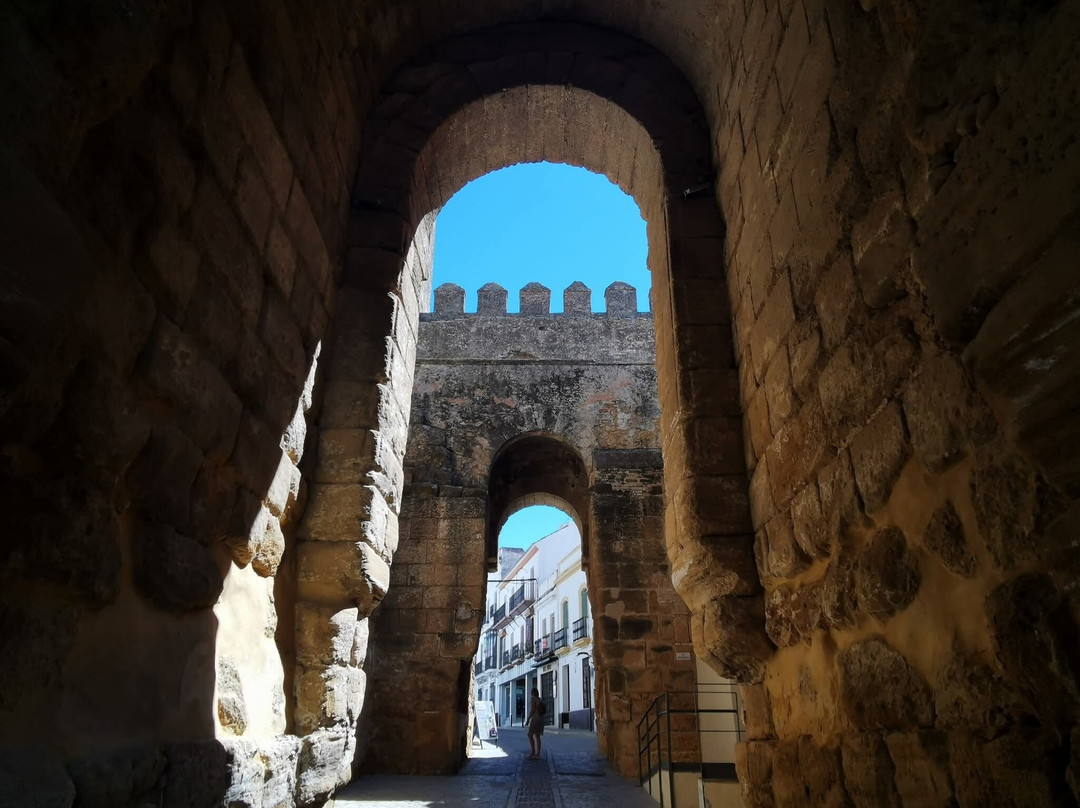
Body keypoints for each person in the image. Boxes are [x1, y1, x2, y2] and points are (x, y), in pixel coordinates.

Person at [526, 688, 545, 759]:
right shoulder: (541, 700)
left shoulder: (533, 699)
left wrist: (528, 719)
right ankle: (538, 754)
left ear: (532, 693)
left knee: (530, 734)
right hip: (541, 719)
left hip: (535, 718)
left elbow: (532, 710)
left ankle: (533, 752)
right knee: (537, 736)